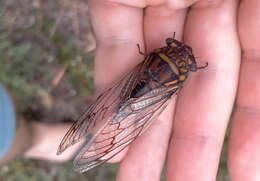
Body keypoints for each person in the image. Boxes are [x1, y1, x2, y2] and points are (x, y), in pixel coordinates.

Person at [1, 0, 259, 180]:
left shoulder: (163, 59)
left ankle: (36, 138)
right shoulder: (179, 78)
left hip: (146, 86)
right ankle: (37, 138)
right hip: (150, 90)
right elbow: (179, 81)